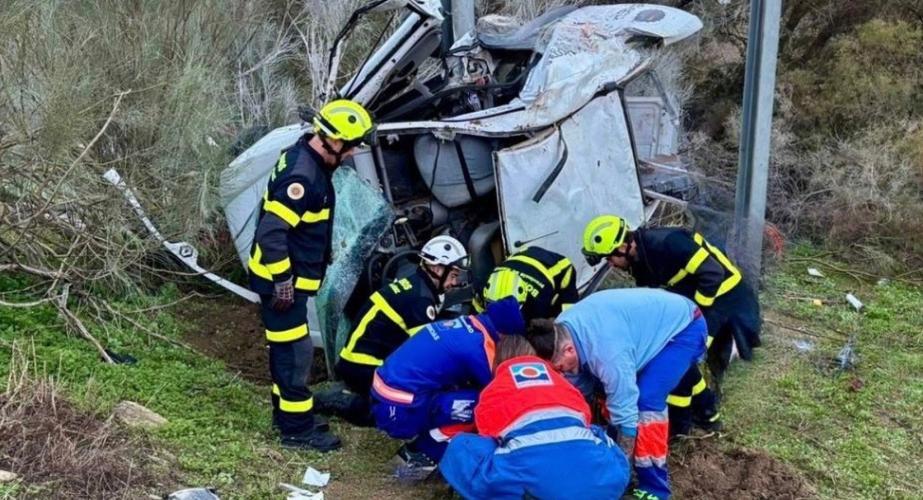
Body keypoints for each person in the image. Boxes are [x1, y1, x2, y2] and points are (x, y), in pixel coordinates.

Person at [247, 99, 374, 452]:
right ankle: (296, 431)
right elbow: (272, 233)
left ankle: (289, 418)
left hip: (284, 280)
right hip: (279, 283)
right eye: (350, 146)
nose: (352, 154)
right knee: (293, 354)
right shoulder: (303, 177)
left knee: (291, 350)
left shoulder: (306, 158)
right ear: (334, 142)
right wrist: (284, 281)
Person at [581, 215, 761, 435]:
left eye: (609, 258)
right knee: (675, 355)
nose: (610, 264)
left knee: (681, 357)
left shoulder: (668, 243)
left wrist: (696, 316)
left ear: (623, 246)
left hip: (722, 298)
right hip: (695, 301)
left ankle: (682, 425)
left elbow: (712, 273)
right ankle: (706, 411)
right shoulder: (640, 261)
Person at [525, 288, 708, 500]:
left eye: (559, 367)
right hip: (635, 328)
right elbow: (578, 389)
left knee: (646, 402)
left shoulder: (608, 354)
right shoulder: (559, 331)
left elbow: (627, 414)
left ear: (568, 350)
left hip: (683, 328)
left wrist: (621, 469)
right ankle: (609, 452)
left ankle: (654, 486)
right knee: (605, 391)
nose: (560, 373)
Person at [440, 335, 631, 499]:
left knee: (462, 445)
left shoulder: (495, 388)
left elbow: (486, 433)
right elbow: (585, 418)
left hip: (536, 487)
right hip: (604, 486)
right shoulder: (562, 382)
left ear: (498, 360)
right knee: (595, 432)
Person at [317, 235, 469, 425]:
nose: (454, 283)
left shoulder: (417, 286)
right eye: (453, 275)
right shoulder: (421, 300)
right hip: (364, 366)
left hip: (360, 362)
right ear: (438, 269)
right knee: (400, 410)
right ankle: (347, 402)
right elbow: (427, 353)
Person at [370, 297, 525, 482]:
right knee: (480, 406)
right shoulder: (479, 347)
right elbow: (499, 392)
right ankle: (419, 456)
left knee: (465, 393)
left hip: (386, 393)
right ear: (506, 335)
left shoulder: (466, 324)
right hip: (399, 409)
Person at [474, 245, 578, 322]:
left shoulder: (538, 304)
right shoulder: (483, 287)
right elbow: (477, 315)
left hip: (560, 267)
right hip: (520, 258)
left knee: (564, 317)